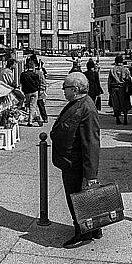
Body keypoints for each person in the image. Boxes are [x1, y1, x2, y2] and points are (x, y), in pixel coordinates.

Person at [50, 72, 101, 248]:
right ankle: (93, 227)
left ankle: (83, 232)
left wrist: (90, 175)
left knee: (77, 198)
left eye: (65, 87)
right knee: (82, 197)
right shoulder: (77, 103)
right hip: (70, 162)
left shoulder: (86, 107)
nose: (63, 91)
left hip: (77, 164)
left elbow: (91, 144)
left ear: (75, 89)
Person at [108, 55, 132, 125]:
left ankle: (117, 119)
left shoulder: (112, 70)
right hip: (124, 89)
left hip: (114, 88)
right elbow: (130, 80)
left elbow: (109, 81)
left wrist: (109, 90)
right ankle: (125, 119)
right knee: (125, 104)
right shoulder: (125, 69)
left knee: (116, 104)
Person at [20, 61, 42, 127]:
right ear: (33, 67)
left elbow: (21, 82)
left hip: (27, 92)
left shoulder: (23, 74)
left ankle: (37, 117)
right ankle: (31, 121)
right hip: (34, 91)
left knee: (30, 106)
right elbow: (38, 83)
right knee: (33, 106)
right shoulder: (35, 75)